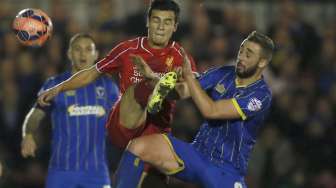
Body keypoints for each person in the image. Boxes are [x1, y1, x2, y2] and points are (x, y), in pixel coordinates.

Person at [114, 31, 275, 188]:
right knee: (138, 147)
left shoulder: (261, 95)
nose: (241, 57)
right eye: (241, 50)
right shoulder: (223, 73)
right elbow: (182, 90)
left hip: (226, 170)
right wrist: (155, 80)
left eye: (249, 54)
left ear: (262, 62)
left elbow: (212, 111)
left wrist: (189, 76)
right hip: (197, 153)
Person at [38, 0, 196, 150]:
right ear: (147, 22)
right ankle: (154, 84)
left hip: (157, 134)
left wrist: (184, 80)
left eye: (167, 22)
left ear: (175, 26)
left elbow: (192, 90)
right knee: (143, 87)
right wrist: (59, 88)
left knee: (184, 85)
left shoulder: (181, 57)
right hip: (124, 127)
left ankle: (157, 83)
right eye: (156, 20)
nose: (161, 27)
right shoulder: (128, 49)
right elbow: (91, 73)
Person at [21, 33, 119, 188]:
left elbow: (123, 119)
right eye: (78, 49)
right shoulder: (54, 84)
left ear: (96, 55)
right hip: (61, 171)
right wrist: (28, 134)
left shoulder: (108, 86)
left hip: (96, 172)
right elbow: (35, 115)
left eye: (88, 49)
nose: (83, 54)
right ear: (69, 53)